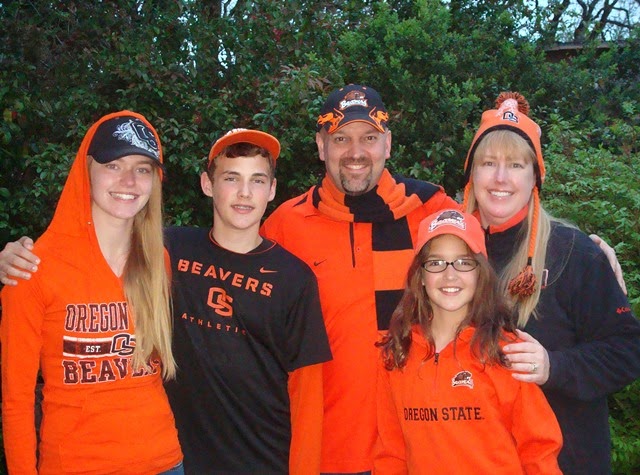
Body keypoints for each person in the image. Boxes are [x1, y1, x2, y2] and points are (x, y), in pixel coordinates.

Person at [0, 87, 626, 474]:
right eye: (339, 137)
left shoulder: (429, 210)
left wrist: (581, 249)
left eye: (369, 137)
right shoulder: (285, 225)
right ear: (320, 146)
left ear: (388, 144)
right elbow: (153, 248)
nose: (355, 150)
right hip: (322, 449)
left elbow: (486, 237)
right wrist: (19, 257)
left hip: (419, 444)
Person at [461, 91, 640, 474]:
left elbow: (628, 351)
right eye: (488, 163)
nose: (500, 178)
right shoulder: (450, 255)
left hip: (566, 460)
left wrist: (554, 367)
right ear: (472, 174)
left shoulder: (574, 253)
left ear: (535, 177)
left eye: (516, 164)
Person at [0, 111, 183, 474]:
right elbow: (16, 400)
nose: (129, 180)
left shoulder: (158, 260)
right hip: (76, 464)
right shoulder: (32, 267)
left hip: (163, 460)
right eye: (113, 165)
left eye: (142, 169)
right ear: (87, 170)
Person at [157, 128, 332, 473]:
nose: (244, 193)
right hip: (178, 462)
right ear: (207, 184)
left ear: (272, 190)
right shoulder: (170, 249)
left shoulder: (293, 278)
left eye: (257, 180)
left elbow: (308, 393)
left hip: (262, 459)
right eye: (231, 178)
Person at [375, 209, 562, 474]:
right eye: (436, 263)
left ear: (480, 273)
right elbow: (391, 452)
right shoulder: (397, 354)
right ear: (421, 276)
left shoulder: (506, 353)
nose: (450, 275)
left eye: (463, 262)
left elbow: (539, 448)